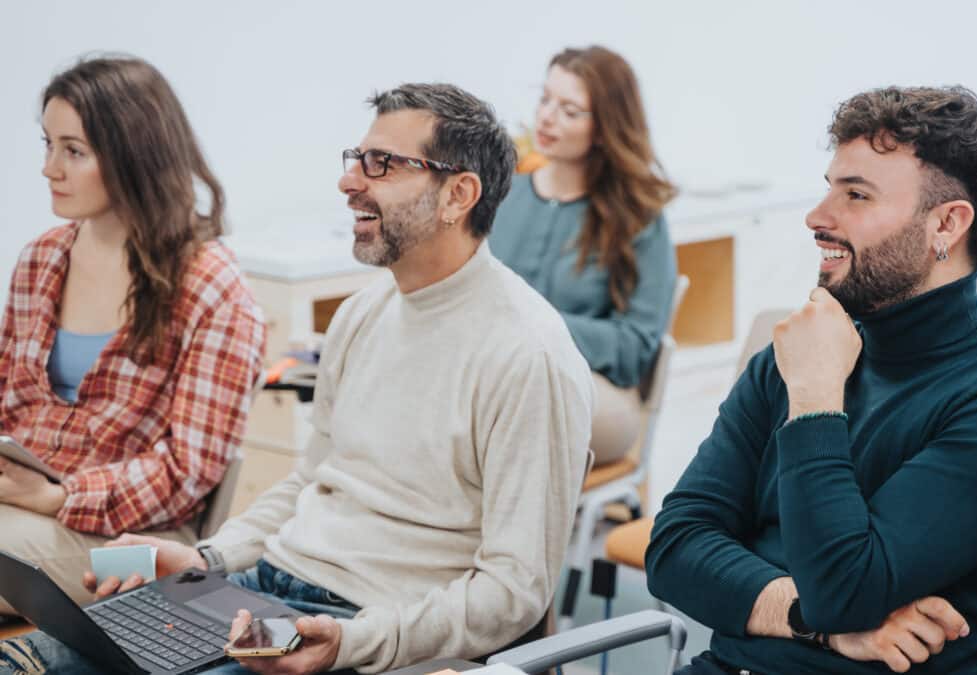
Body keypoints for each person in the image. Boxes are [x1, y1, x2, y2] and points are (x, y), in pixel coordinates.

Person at [0, 82, 593, 675]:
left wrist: (353, 641)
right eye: (356, 159)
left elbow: (513, 593)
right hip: (261, 590)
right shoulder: (364, 313)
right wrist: (206, 558)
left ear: (457, 195)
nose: (349, 181)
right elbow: (310, 483)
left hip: (362, 622)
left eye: (381, 164)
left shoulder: (527, 353)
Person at [645, 86, 977, 674]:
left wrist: (816, 401)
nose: (817, 217)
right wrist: (812, 623)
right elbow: (674, 547)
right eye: (830, 187)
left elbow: (843, 591)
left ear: (946, 225)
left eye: (856, 195)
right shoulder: (799, 352)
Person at [0, 56, 265, 614]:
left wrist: (56, 496)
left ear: (134, 155)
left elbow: (187, 473)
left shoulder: (211, 287)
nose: (50, 168)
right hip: (20, 508)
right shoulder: (41, 259)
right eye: (47, 144)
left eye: (73, 151)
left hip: (142, 545)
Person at [490, 46, 677, 466]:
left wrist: (538, 327)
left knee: (508, 410)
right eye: (545, 100)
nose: (547, 118)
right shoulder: (503, 198)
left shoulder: (638, 217)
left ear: (604, 126)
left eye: (570, 110)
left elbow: (637, 346)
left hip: (595, 392)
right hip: (500, 381)